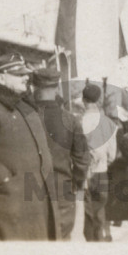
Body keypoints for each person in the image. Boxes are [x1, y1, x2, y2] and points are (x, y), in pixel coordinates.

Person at [0, 54, 59, 241]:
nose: (26, 77)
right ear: (1, 78)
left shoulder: (24, 105)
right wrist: (5, 180)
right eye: (18, 74)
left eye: (25, 73)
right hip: (9, 205)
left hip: (36, 201)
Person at [30, 66, 89, 241]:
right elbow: (82, 160)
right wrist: (77, 185)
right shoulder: (71, 120)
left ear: (33, 87)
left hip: (29, 187)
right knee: (61, 239)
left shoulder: (22, 117)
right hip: (62, 187)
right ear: (57, 88)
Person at [80, 82, 118, 242]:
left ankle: (91, 242)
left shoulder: (78, 121)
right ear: (99, 100)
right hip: (102, 171)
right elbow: (112, 153)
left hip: (86, 172)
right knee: (100, 207)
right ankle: (100, 238)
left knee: (88, 210)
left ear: (83, 100)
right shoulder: (108, 122)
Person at [106, 116, 128, 236]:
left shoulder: (122, 138)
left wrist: (113, 162)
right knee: (109, 203)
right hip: (111, 174)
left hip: (119, 174)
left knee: (121, 203)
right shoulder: (105, 137)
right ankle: (107, 233)